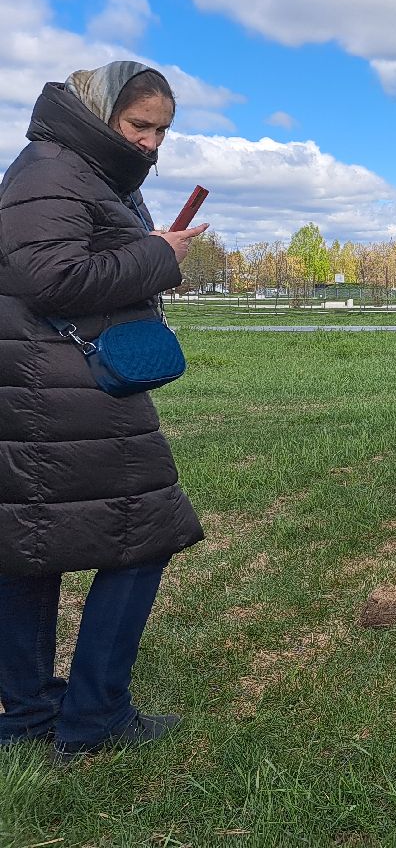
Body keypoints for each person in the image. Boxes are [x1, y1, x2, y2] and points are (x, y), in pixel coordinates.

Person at [0, 61, 209, 759]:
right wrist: (158, 256)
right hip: (66, 388)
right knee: (145, 535)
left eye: (162, 131)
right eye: (139, 125)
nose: (151, 142)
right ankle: (95, 718)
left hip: (48, 384)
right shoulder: (52, 170)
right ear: (98, 112)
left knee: (29, 547)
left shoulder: (80, 169)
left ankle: (29, 714)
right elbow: (50, 278)